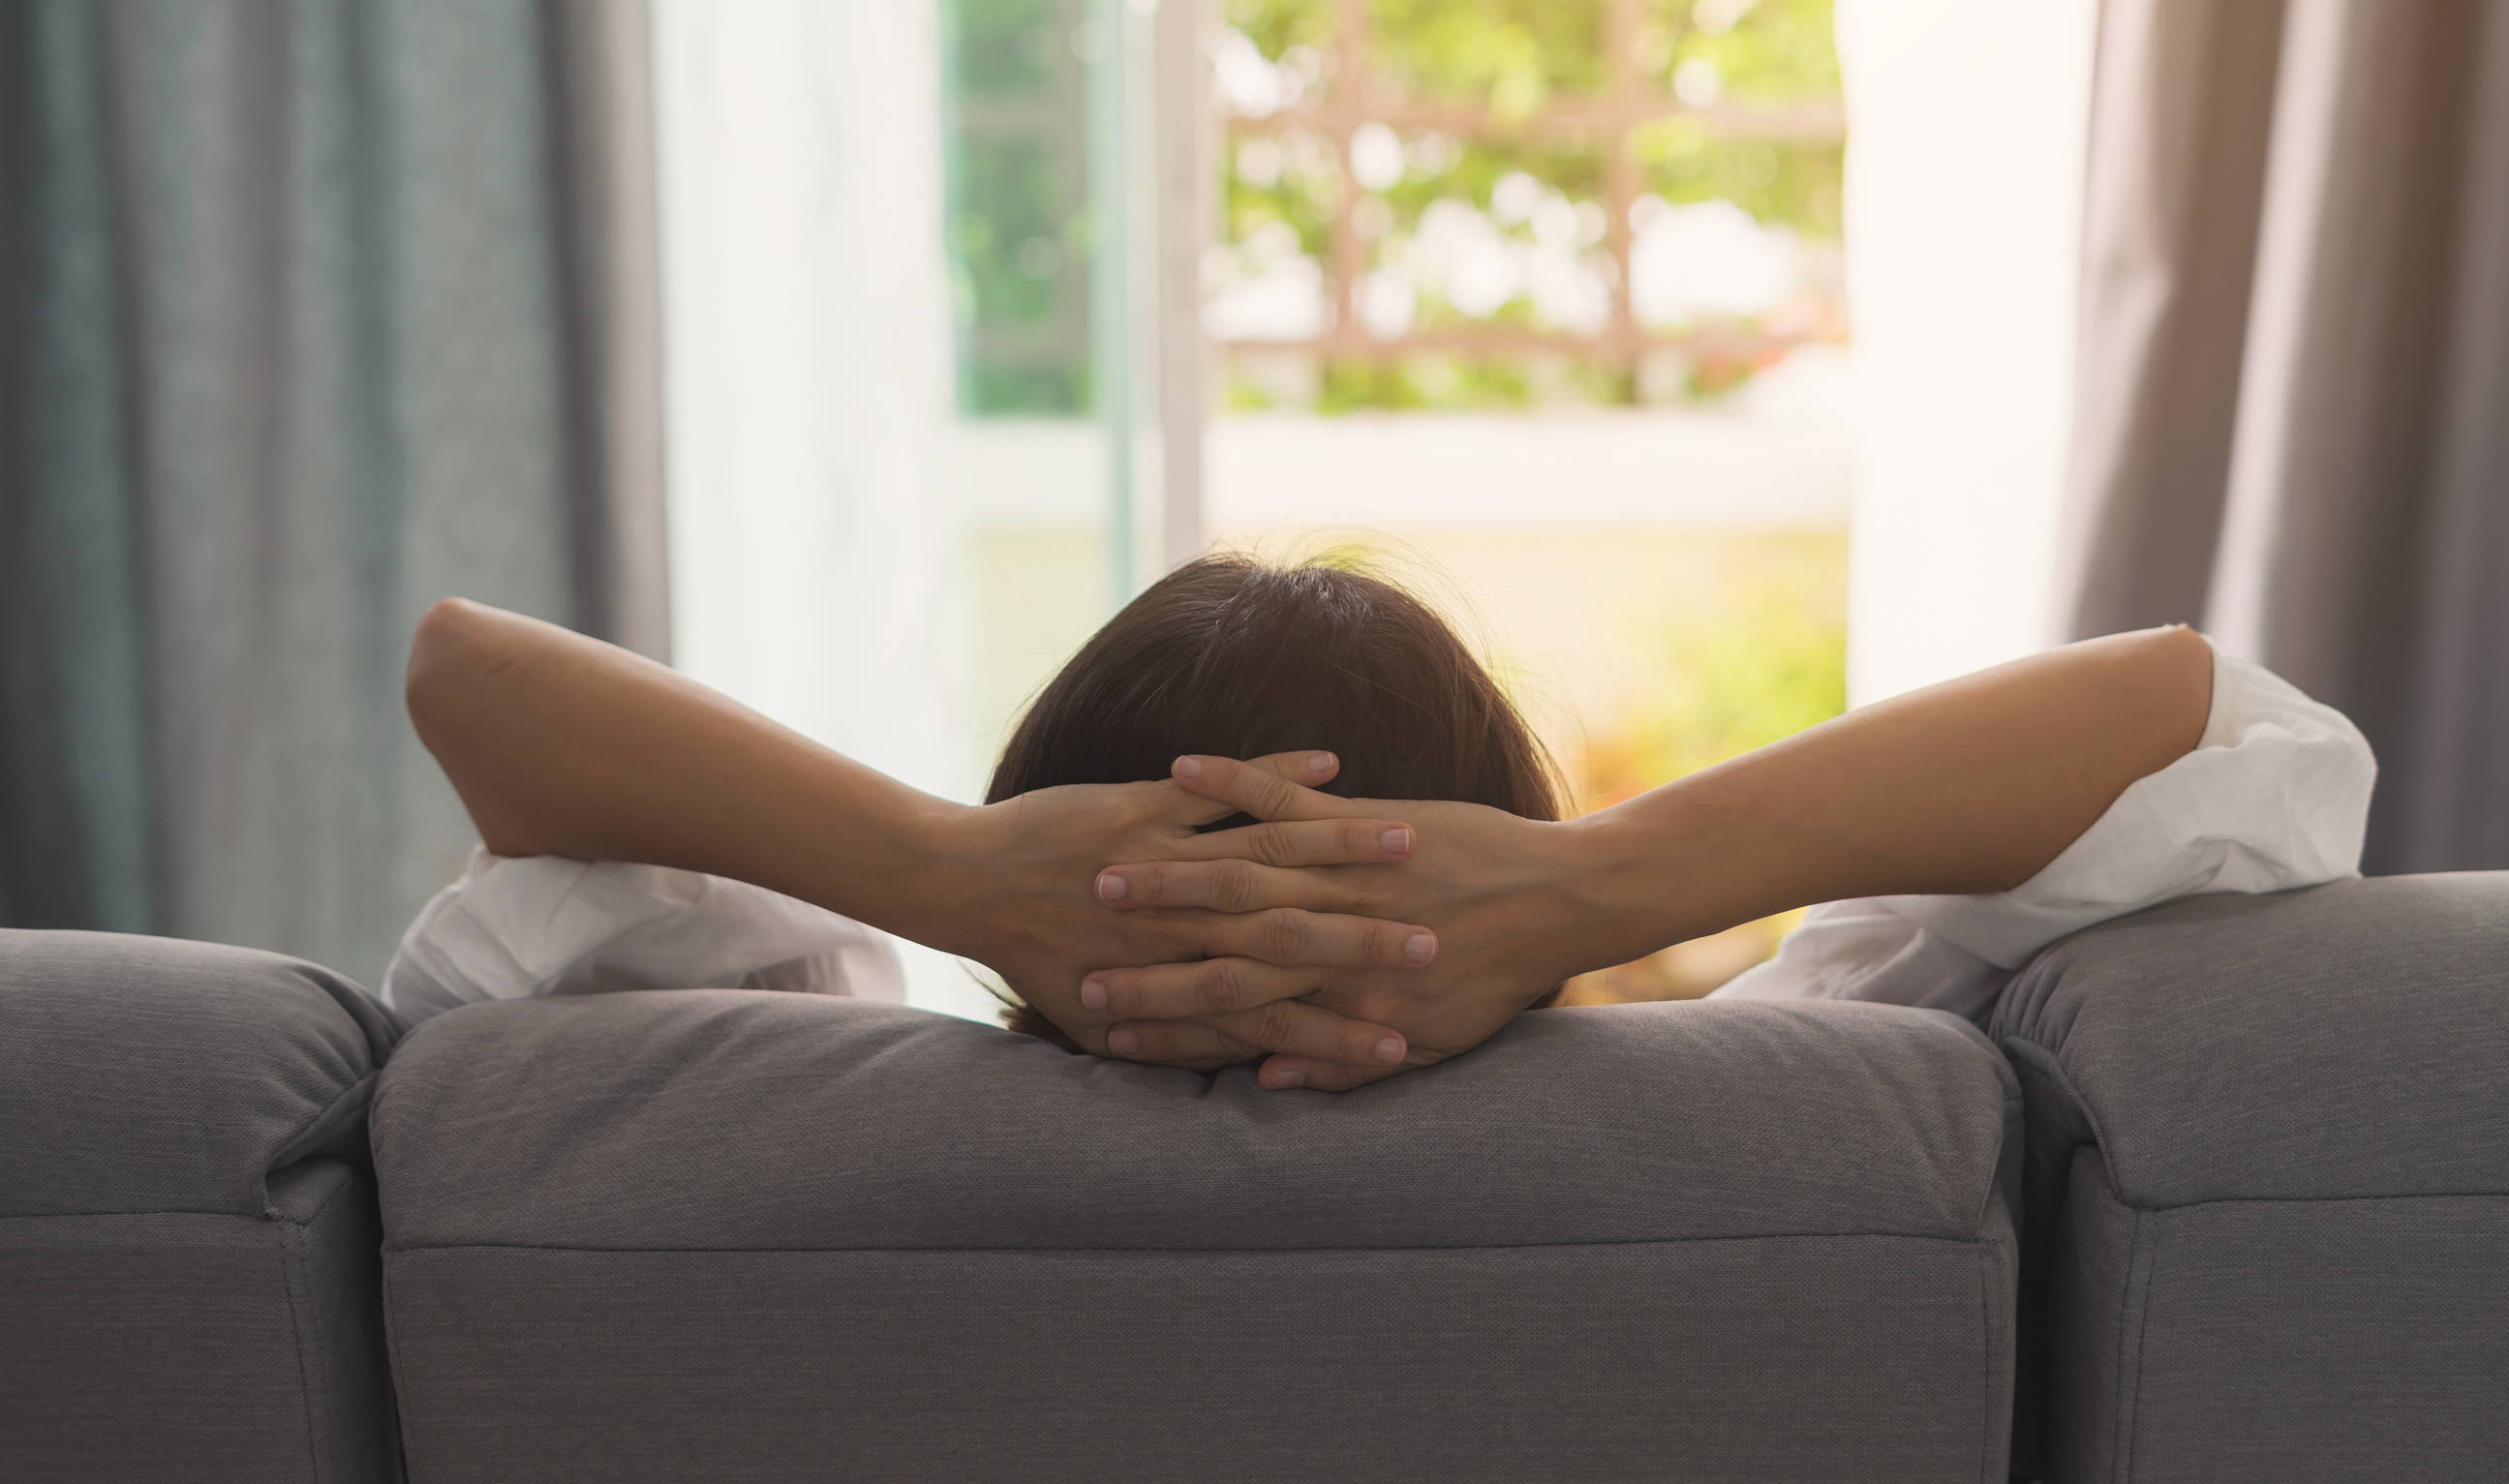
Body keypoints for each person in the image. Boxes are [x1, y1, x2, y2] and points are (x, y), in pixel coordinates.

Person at [386, 553, 2372, 1089]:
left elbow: (474, 683)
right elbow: (2217, 732)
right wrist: (1591, 893)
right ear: (1492, 845)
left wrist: (944, 878)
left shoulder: (744, 1097)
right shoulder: (1834, 1111)